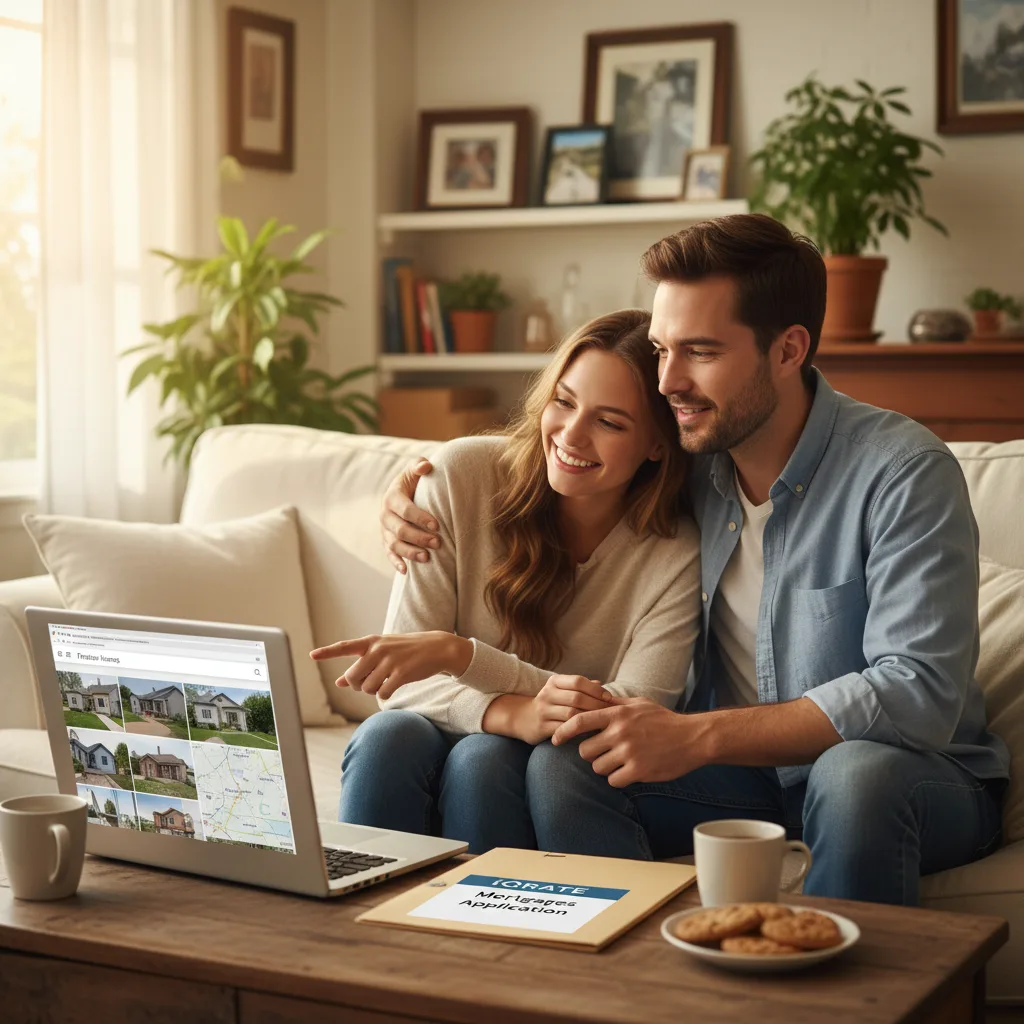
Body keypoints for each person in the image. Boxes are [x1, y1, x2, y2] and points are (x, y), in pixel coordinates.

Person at [378, 213, 1009, 906]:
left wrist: (699, 737)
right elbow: (545, 460)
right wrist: (414, 485)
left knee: (853, 775)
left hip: (911, 778)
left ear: (789, 349)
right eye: (661, 348)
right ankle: (622, 983)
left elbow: (917, 693)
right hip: (741, 779)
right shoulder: (685, 467)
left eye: (700, 352)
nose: (668, 380)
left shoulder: (903, 473)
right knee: (570, 763)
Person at [312, 309, 701, 853]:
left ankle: (481, 934)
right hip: (432, 729)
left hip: (544, 760)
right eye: (563, 402)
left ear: (657, 445)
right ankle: (355, 926)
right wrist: (511, 712)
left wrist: (461, 656)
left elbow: (636, 706)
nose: (571, 435)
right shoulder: (460, 475)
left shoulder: (673, 549)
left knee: (483, 759)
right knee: (385, 737)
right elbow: (398, 683)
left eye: (610, 422)